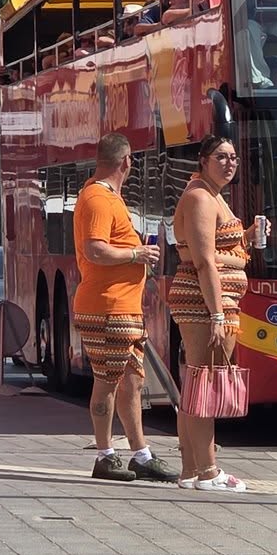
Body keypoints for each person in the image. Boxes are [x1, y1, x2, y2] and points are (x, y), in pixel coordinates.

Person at [72, 133, 176, 484]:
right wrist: (137, 254)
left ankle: (140, 453)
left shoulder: (107, 197)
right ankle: (104, 454)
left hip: (123, 307)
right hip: (107, 307)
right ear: (126, 161)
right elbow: (95, 250)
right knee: (108, 381)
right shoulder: (98, 198)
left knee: (132, 381)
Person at [170, 135, 262, 491]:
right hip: (205, 302)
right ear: (203, 160)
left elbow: (208, 253)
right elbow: (204, 260)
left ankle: (191, 470)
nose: (230, 163)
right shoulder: (199, 197)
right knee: (204, 383)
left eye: (234, 157)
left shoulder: (213, 196)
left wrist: (246, 242)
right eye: (221, 157)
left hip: (213, 300)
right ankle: (207, 471)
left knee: (197, 384)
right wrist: (217, 315)